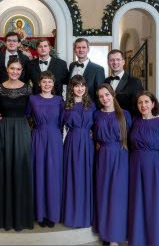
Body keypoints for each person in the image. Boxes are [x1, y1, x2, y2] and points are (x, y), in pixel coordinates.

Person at [0, 57, 34, 231]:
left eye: (18, 69)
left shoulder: (28, 89)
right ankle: (4, 215)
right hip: (4, 130)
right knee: (4, 169)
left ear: (22, 71)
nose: (15, 72)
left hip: (22, 130)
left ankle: (21, 217)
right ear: (7, 69)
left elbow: (31, 111)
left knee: (21, 168)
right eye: (12, 68)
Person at [128, 91, 159, 246]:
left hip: (155, 168)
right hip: (134, 167)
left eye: (146, 102)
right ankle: (138, 240)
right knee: (137, 204)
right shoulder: (134, 122)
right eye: (140, 102)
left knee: (155, 205)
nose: (143, 105)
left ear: (153, 104)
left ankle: (156, 240)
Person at [93, 83, 131, 245]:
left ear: (113, 95)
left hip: (121, 157)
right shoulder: (96, 114)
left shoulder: (125, 115)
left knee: (117, 196)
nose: (104, 98)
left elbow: (133, 137)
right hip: (102, 157)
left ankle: (115, 235)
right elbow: (92, 135)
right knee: (103, 194)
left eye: (107, 95)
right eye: (101, 96)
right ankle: (105, 233)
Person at [27, 71, 64, 227]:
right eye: (44, 82)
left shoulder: (59, 100)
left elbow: (62, 121)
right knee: (39, 174)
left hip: (54, 138)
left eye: (50, 81)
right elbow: (26, 116)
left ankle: (52, 214)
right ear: (39, 84)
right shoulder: (32, 99)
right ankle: (40, 214)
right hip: (37, 137)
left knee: (53, 175)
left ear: (53, 84)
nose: (47, 84)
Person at [62, 75, 96, 228]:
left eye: (82, 85)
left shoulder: (92, 105)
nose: (80, 88)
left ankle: (86, 215)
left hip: (88, 144)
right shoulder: (65, 105)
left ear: (85, 87)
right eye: (76, 86)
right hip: (72, 142)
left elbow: (98, 123)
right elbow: (57, 123)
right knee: (72, 176)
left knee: (86, 176)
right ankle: (72, 215)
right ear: (72, 88)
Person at [104, 49, 143, 114]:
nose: (115, 62)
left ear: (123, 62)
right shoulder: (105, 81)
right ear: (108, 63)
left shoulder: (135, 82)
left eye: (118, 59)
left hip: (127, 121)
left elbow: (139, 105)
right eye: (112, 60)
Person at [67, 38, 105, 103]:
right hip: (71, 105)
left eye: (83, 47)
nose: (81, 50)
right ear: (74, 50)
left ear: (88, 49)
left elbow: (100, 92)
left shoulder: (98, 69)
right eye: (78, 47)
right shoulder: (72, 65)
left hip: (89, 107)